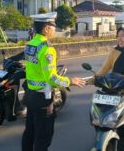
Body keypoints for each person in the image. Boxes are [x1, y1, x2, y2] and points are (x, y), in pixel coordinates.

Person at [21, 12, 86, 151]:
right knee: (43, 137)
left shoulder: (30, 45)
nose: (54, 29)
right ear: (46, 29)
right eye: (52, 26)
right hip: (43, 99)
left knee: (29, 132)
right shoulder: (47, 49)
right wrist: (70, 81)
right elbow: (51, 78)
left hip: (30, 95)